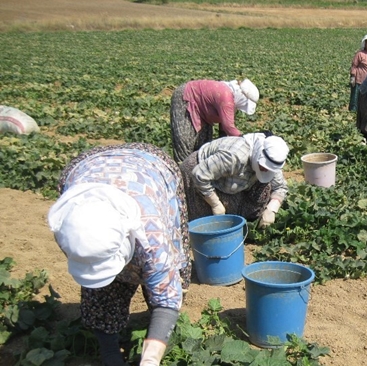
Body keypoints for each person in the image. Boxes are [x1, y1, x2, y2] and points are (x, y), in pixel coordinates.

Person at [47, 143, 192, 366]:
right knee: (101, 291)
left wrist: (151, 359)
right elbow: (91, 261)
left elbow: (167, 295)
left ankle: (156, 333)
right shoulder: (67, 223)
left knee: (161, 276)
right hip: (87, 166)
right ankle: (110, 353)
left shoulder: (152, 233)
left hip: (152, 168)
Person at [180, 132, 289, 228]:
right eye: (263, 166)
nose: (265, 170)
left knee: (264, 187)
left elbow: (280, 187)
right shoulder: (236, 157)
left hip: (231, 180)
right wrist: (215, 203)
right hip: (198, 173)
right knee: (206, 222)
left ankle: (246, 219)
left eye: (269, 169)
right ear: (258, 154)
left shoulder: (273, 162)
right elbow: (199, 175)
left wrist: (272, 209)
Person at [170, 78, 260, 163]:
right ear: (243, 97)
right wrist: (246, 143)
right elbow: (229, 127)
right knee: (185, 143)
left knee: (203, 146)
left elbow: (224, 126)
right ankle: (183, 173)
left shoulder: (231, 98)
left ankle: (196, 171)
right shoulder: (226, 96)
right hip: (187, 97)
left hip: (203, 111)